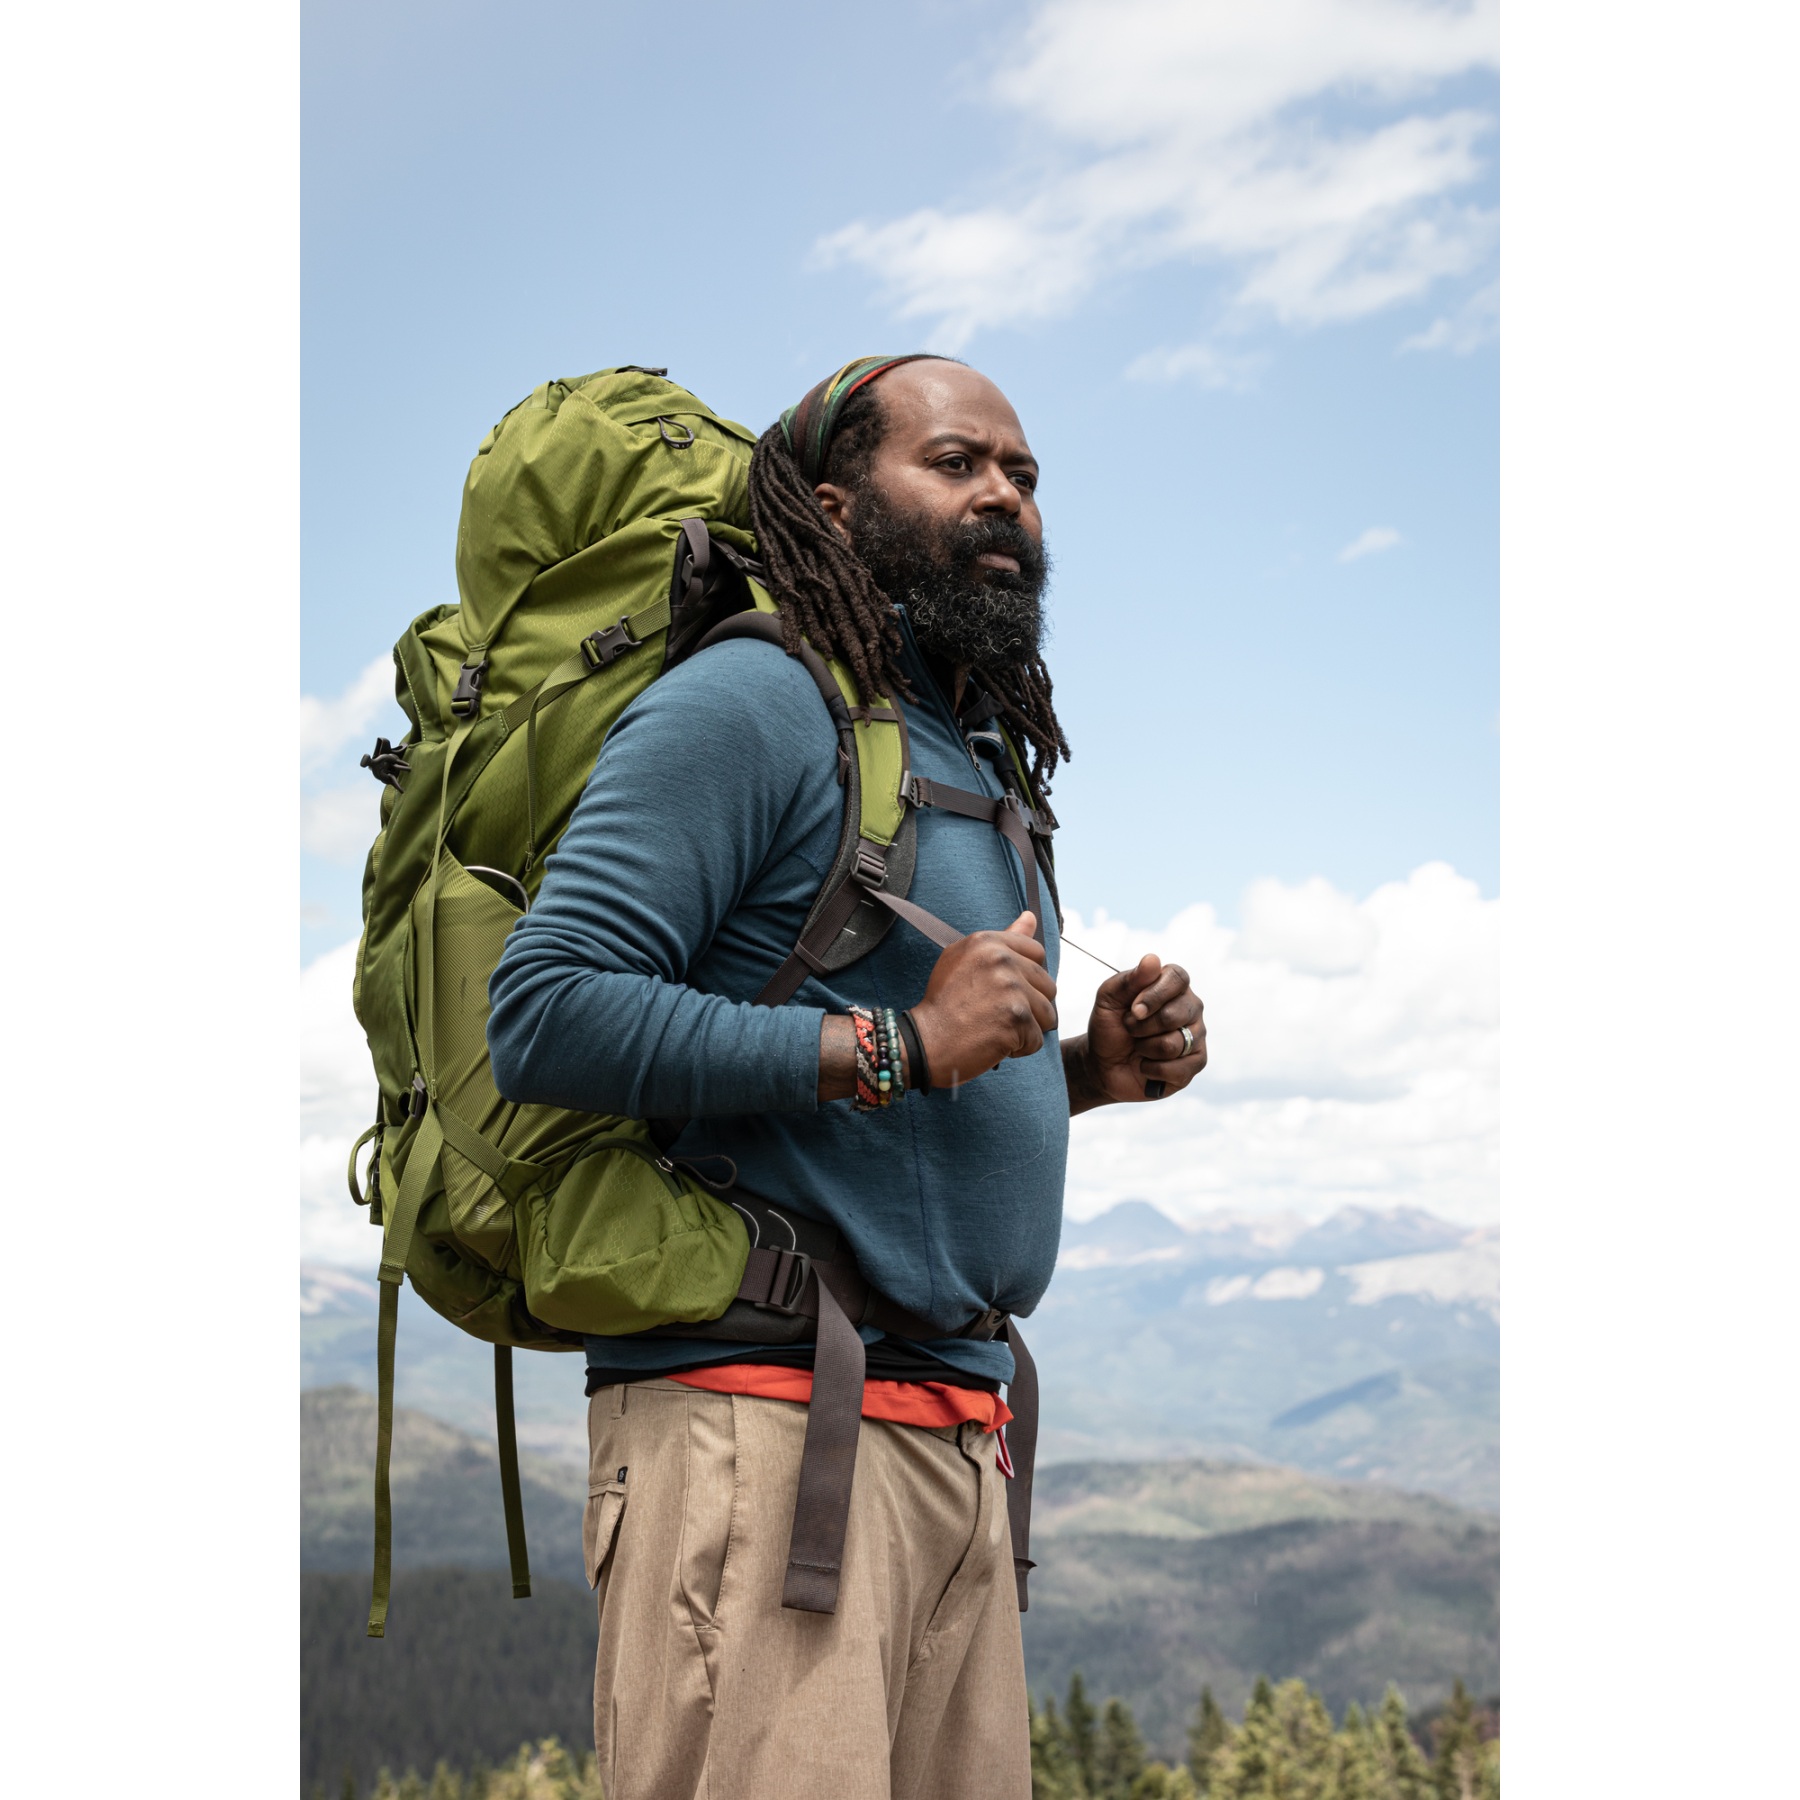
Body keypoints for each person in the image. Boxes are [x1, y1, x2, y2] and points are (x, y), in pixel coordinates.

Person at [487, 354, 1207, 1800]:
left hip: (954, 1437)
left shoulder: (978, 760)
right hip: (762, 1431)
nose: (1003, 495)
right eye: (954, 463)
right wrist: (904, 1044)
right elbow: (547, 1011)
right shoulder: (754, 702)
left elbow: (891, 1073)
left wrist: (1080, 1073)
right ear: (830, 505)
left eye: (1022, 475)